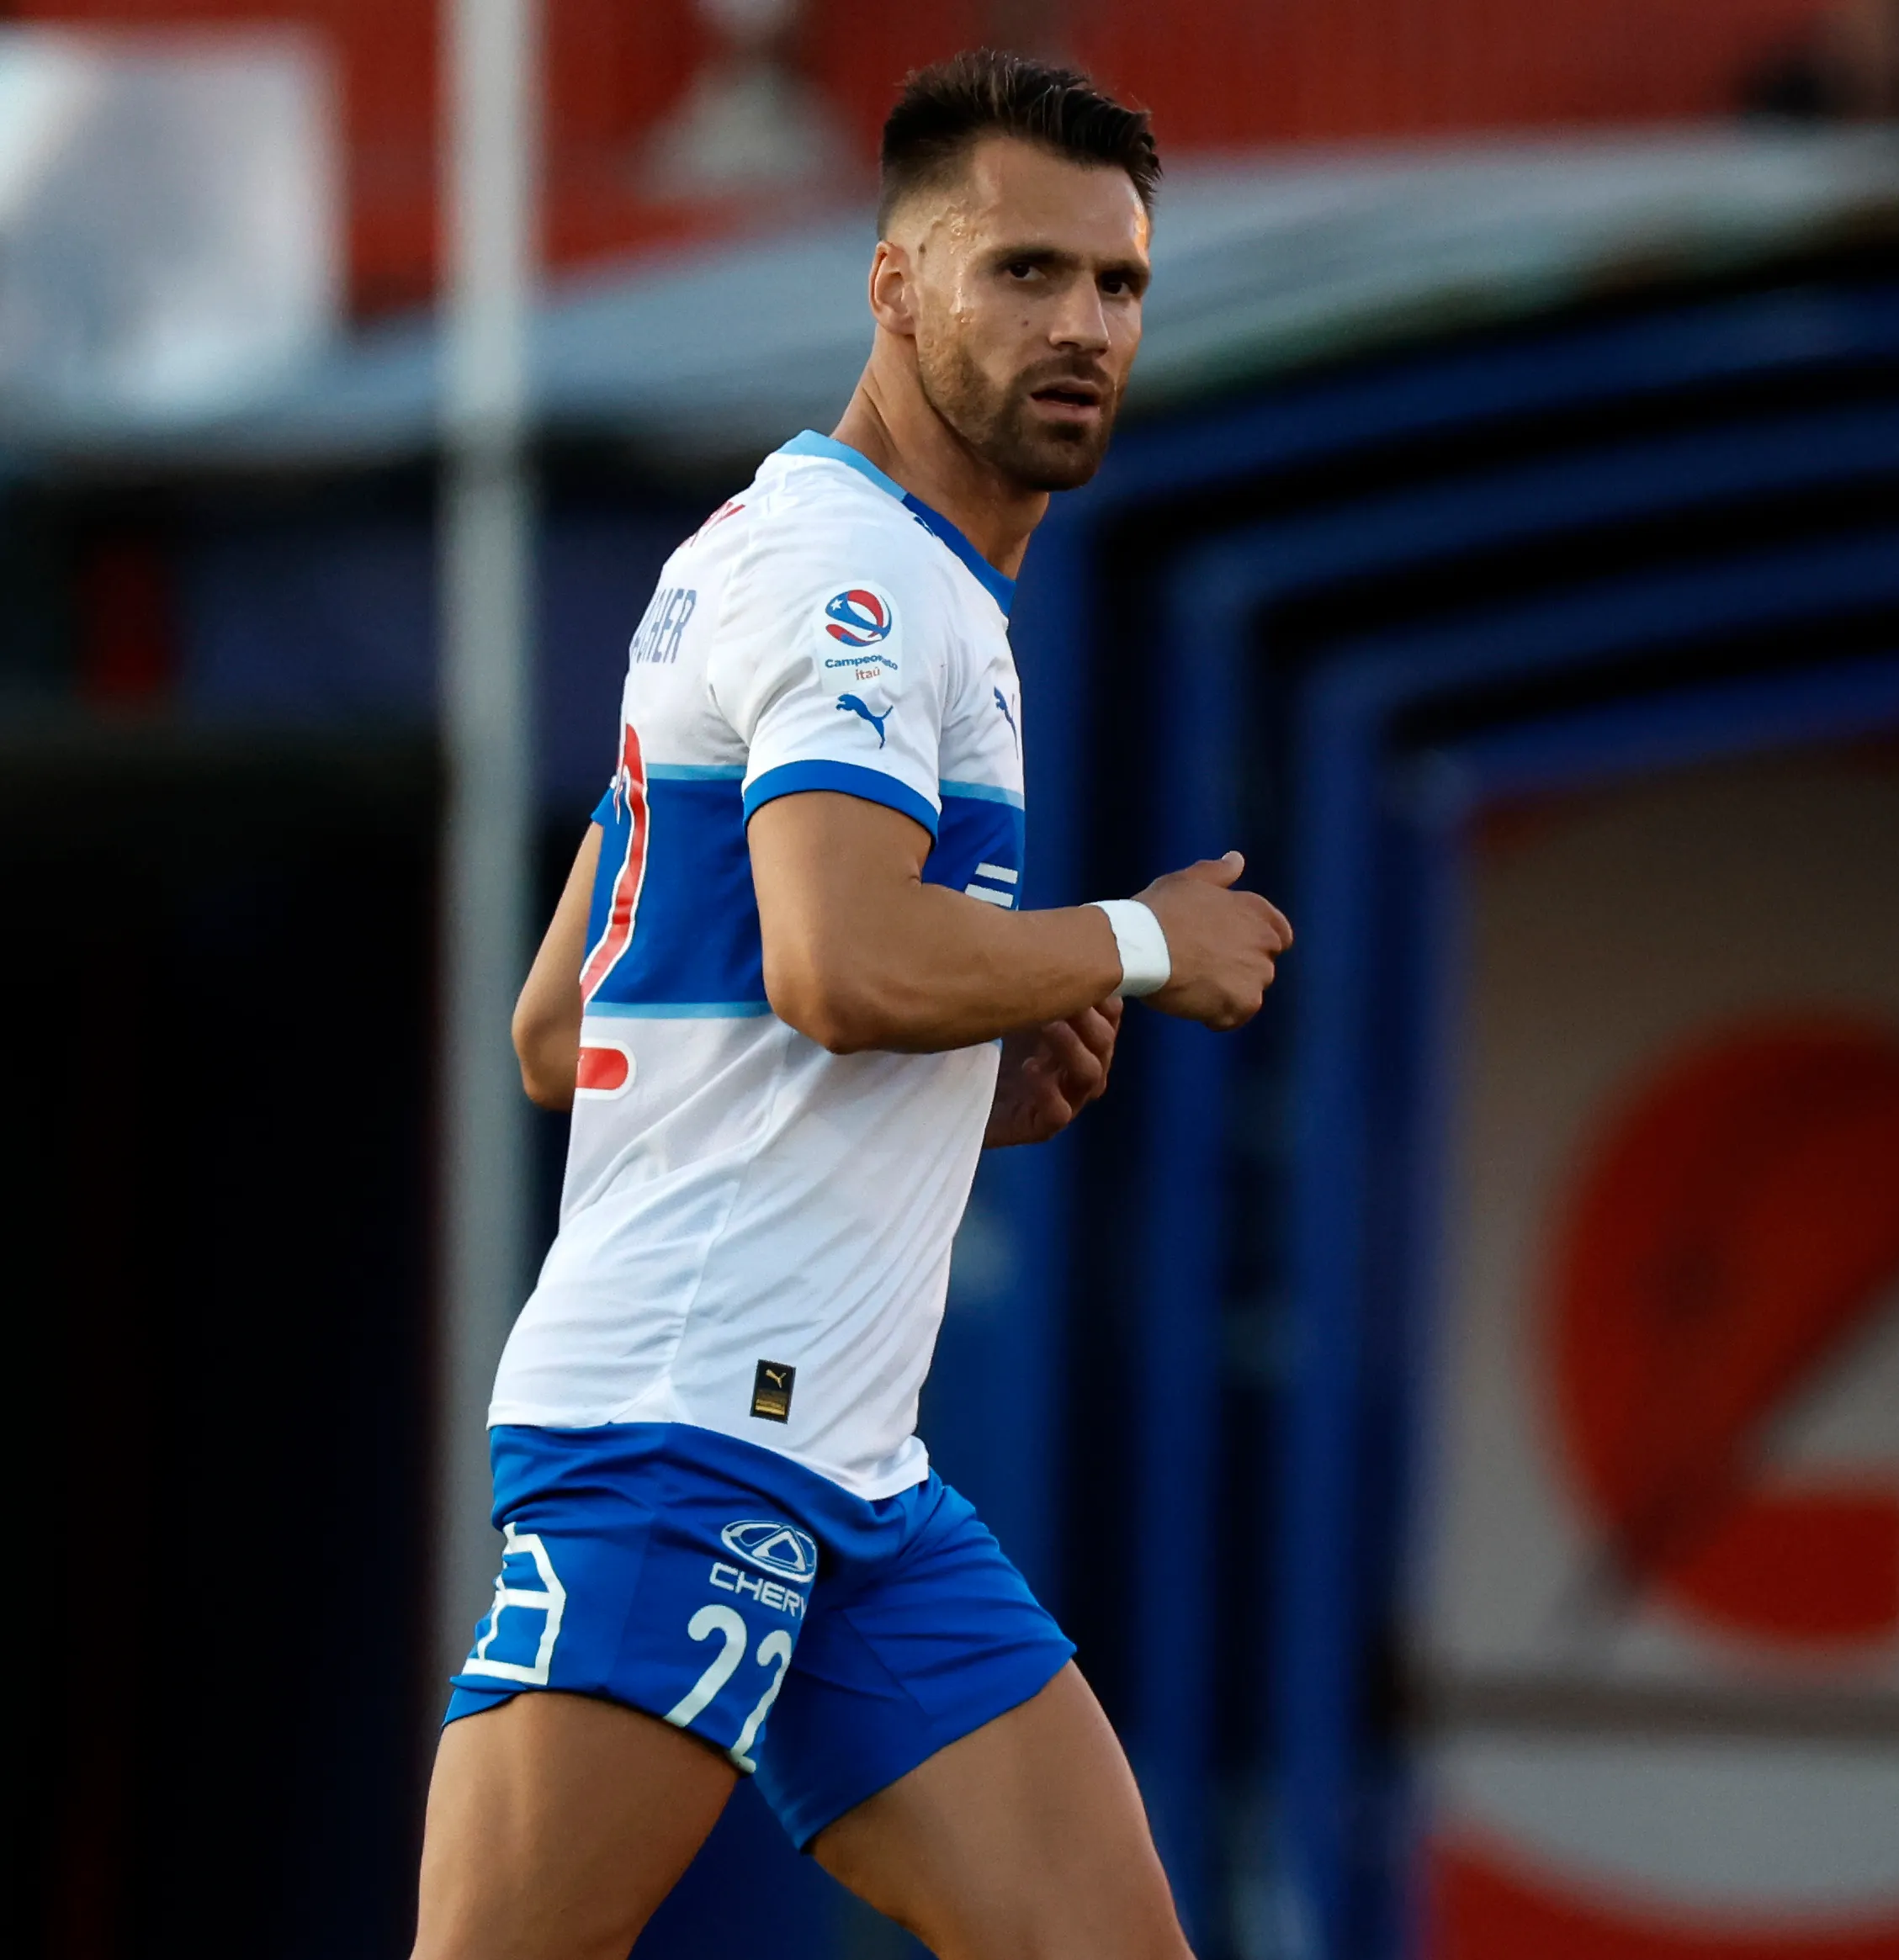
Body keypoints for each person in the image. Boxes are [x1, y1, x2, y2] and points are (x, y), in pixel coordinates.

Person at [414, 51, 1288, 1960]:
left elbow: (576, 1022)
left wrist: (949, 1083)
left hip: (850, 1472)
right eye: (1022, 274)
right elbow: (837, 963)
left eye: (1117, 285)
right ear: (894, 288)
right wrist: (1132, 943)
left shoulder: (801, 555)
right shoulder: (856, 582)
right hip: (688, 1426)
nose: (1081, 328)